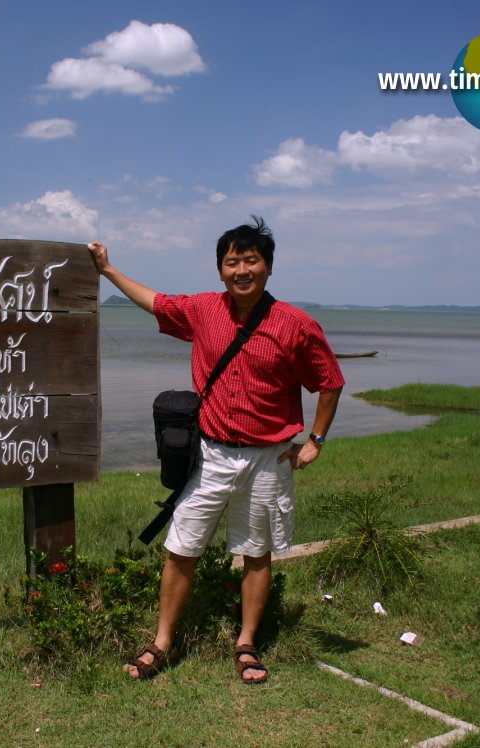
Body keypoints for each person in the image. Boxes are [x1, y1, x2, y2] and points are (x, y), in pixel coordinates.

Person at [87, 217, 344, 684]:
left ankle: (246, 643)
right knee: (182, 548)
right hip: (210, 455)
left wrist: (316, 441)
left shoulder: (296, 324)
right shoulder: (205, 310)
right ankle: (162, 642)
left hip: (269, 457)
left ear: (268, 267)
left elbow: (329, 382)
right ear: (220, 270)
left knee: (257, 552)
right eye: (232, 262)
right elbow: (154, 302)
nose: (241, 269)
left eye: (251, 260)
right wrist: (107, 270)